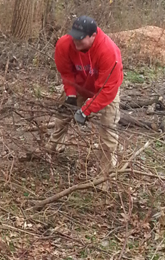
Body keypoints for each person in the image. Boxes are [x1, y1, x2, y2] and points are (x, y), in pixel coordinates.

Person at [51, 15, 124, 176]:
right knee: (62, 116)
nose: (76, 41)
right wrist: (70, 95)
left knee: (108, 128)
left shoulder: (109, 52)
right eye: (74, 37)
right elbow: (66, 72)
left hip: (106, 90)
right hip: (79, 85)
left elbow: (107, 90)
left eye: (81, 39)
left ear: (93, 36)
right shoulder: (64, 44)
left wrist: (85, 110)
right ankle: (52, 150)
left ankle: (106, 173)